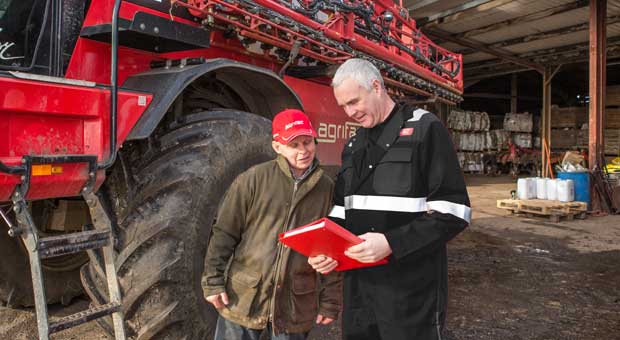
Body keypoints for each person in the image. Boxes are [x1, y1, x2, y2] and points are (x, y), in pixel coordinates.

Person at [308, 58, 471, 340]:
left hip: (410, 293)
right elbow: (341, 211)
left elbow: (454, 212)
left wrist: (391, 243)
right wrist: (327, 250)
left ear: (376, 87)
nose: (349, 112)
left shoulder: (424, 130)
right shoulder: (353, 145)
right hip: (359, 291)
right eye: (344, 106)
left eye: (354, 102)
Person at [202, 109, 343, 340]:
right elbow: (224, 234)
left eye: (307, 142)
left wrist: (330, 301)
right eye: (294, 145)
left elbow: (330, 249)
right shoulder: (253, 180)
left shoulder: (327, 189)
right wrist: (212, 281)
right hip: (243, 298)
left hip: (295, 304)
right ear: (277, 147)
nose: (303, 151)